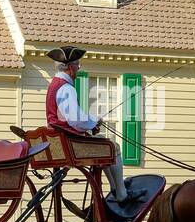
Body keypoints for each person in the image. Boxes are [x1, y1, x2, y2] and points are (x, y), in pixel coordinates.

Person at [44, 46, 141, 205]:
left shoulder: (55, 84)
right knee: (112, 146)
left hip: (62, 140)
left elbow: (68, 118)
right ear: (70, 68)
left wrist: (91, 122)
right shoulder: (66, 88)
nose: (78, 68)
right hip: (69, 144)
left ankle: (117, 189)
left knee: (102, 142)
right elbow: (76, 120)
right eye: (77, 65)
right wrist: (94, 121)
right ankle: (121, 193)